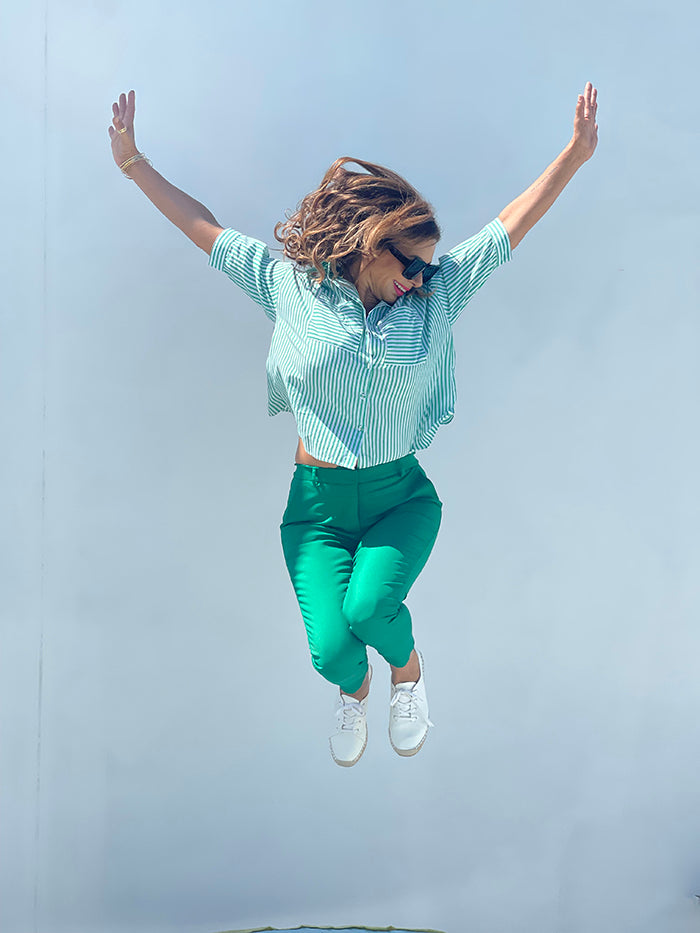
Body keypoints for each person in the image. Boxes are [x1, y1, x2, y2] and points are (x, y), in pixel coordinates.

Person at [108, 83, 598, 767]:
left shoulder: (436, 299)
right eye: (412, 262)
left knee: (371, 610)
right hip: (316, 507)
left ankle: (409, 676)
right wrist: (133, 162)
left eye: (431, 267)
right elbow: (204, 227)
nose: (424, 278)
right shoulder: (289, 289)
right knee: (331, 651)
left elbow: (507, 227)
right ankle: (356, 687)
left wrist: (574, 155)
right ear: (371, 243)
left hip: (400, 497)